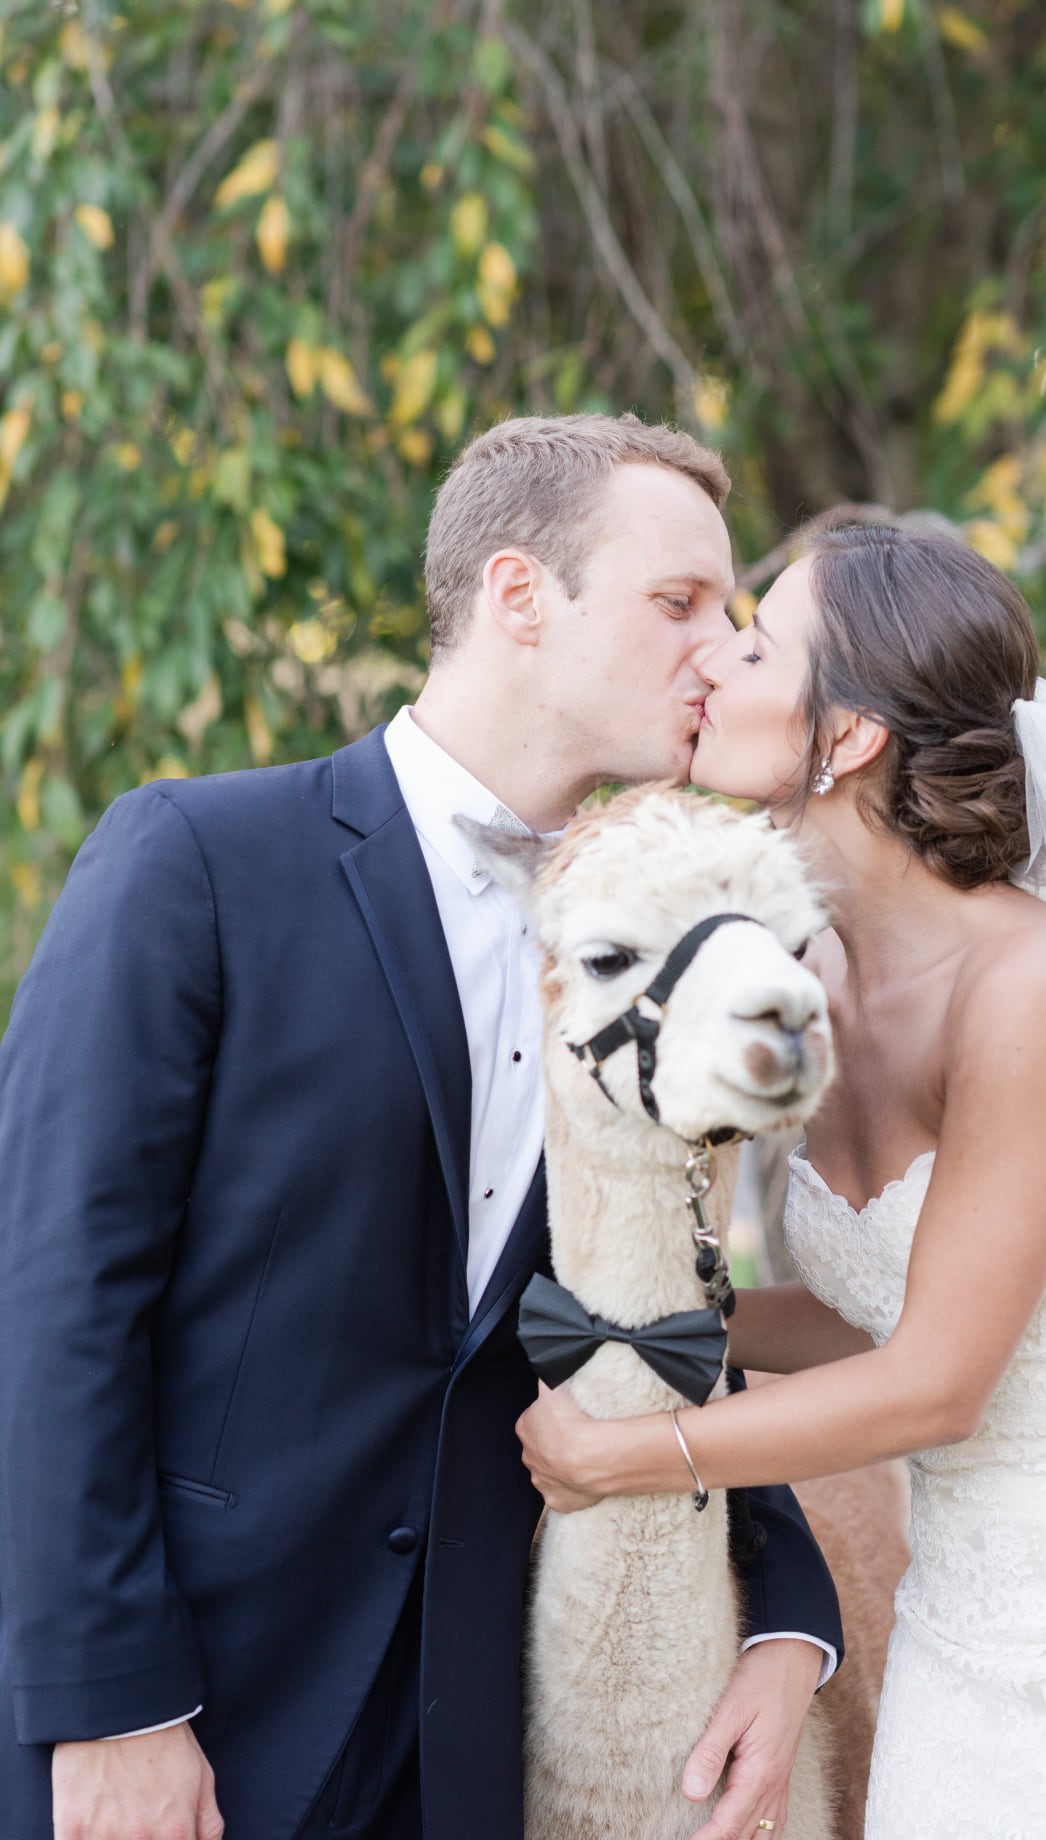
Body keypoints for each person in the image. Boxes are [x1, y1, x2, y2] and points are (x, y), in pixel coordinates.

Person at [0, 415, 843, 1840]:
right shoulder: (195, 862)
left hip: (463, 1744)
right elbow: (51, 1309)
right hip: (188, 1724)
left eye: (731, 613)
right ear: (520, 597)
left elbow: (649, 1299)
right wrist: (114, 1708)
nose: (717, 650)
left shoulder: (658, 939)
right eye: (677, 603)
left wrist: (787, 1618)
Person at [517, 518, 1046, 1837]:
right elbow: (879, 1297)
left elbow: (938, 1380)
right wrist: (646, 1325)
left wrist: (629, 1455)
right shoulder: (809, 991)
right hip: (959, 1628)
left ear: (846, 738)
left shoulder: (1034, 983)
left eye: (755, 644)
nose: (710, 670)